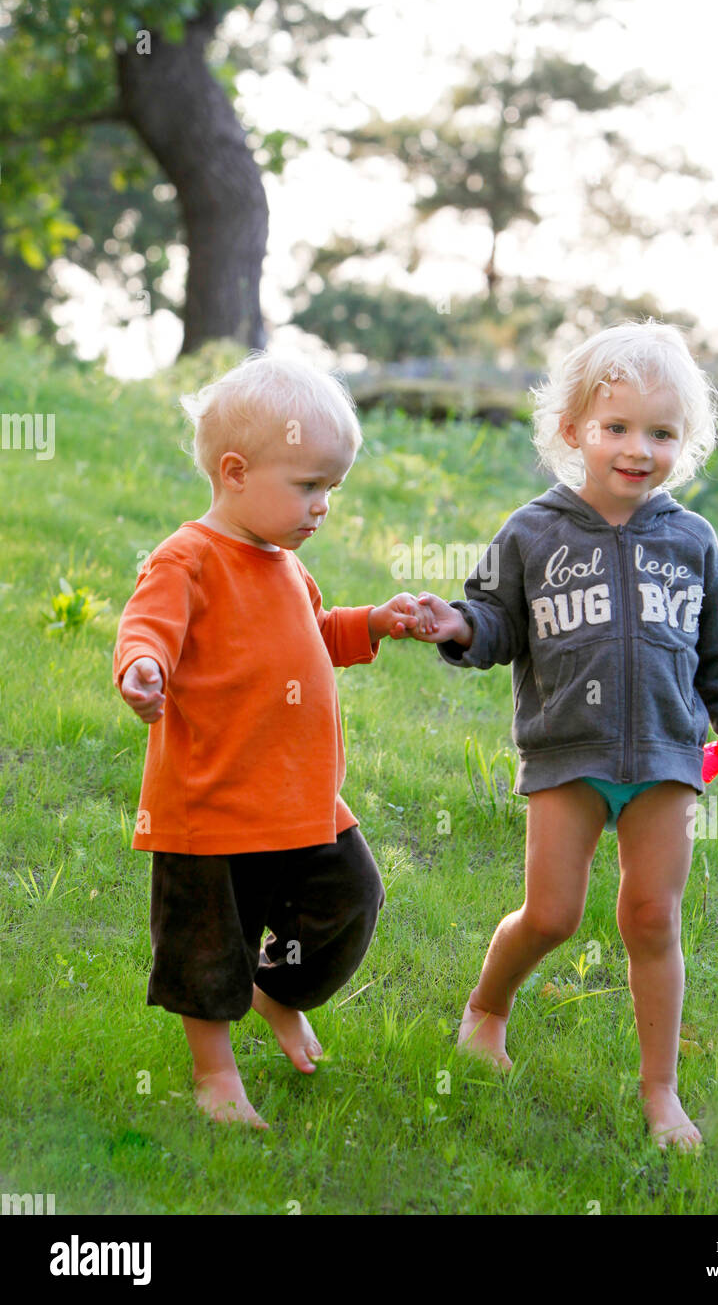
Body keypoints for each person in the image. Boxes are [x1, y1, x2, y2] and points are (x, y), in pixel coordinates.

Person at [411, 320, 718, 1150]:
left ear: (683, 445)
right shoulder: (532, 531)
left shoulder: (690, 541)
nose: (636, 448)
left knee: (652, 919)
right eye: (616, 427)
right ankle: (487, 1008)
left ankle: (661, 1095)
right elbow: (496, 623)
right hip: (567, 755)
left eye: (660, 432)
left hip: (665, 757)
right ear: (574, 429)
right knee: (551, 915)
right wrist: (456, 625)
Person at [113, 352, 435, 1128]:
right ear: (234, 471)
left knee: (351, 897)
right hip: (210, 804)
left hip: (301, 798)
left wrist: (374, 621)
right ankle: (214, 1075)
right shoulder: (187, 557)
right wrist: (144, 668)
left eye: (332, 487)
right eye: (307, 485)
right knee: (208, 946)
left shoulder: (286, 565)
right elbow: (146, 626)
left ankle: (277, 990)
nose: (322, 505)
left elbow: (310, 637)